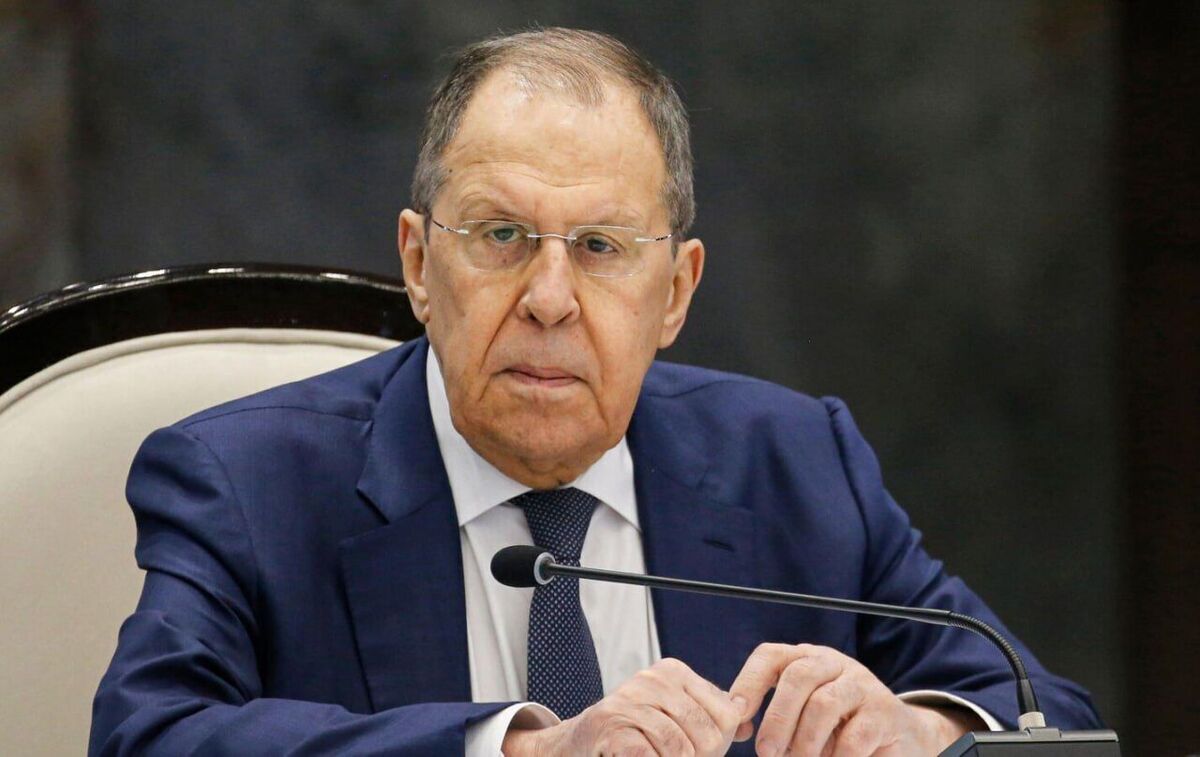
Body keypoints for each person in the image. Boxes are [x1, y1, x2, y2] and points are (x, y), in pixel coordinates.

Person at [89, 27, 1102, 756]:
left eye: (603, 247)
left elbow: (1044, 714)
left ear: (677, 292)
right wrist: (523, 750)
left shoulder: (794, 464)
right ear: (418, 264)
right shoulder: (247, 481)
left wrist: (919, 730)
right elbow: (149, 735)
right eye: (501, 236)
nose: (549, 298)